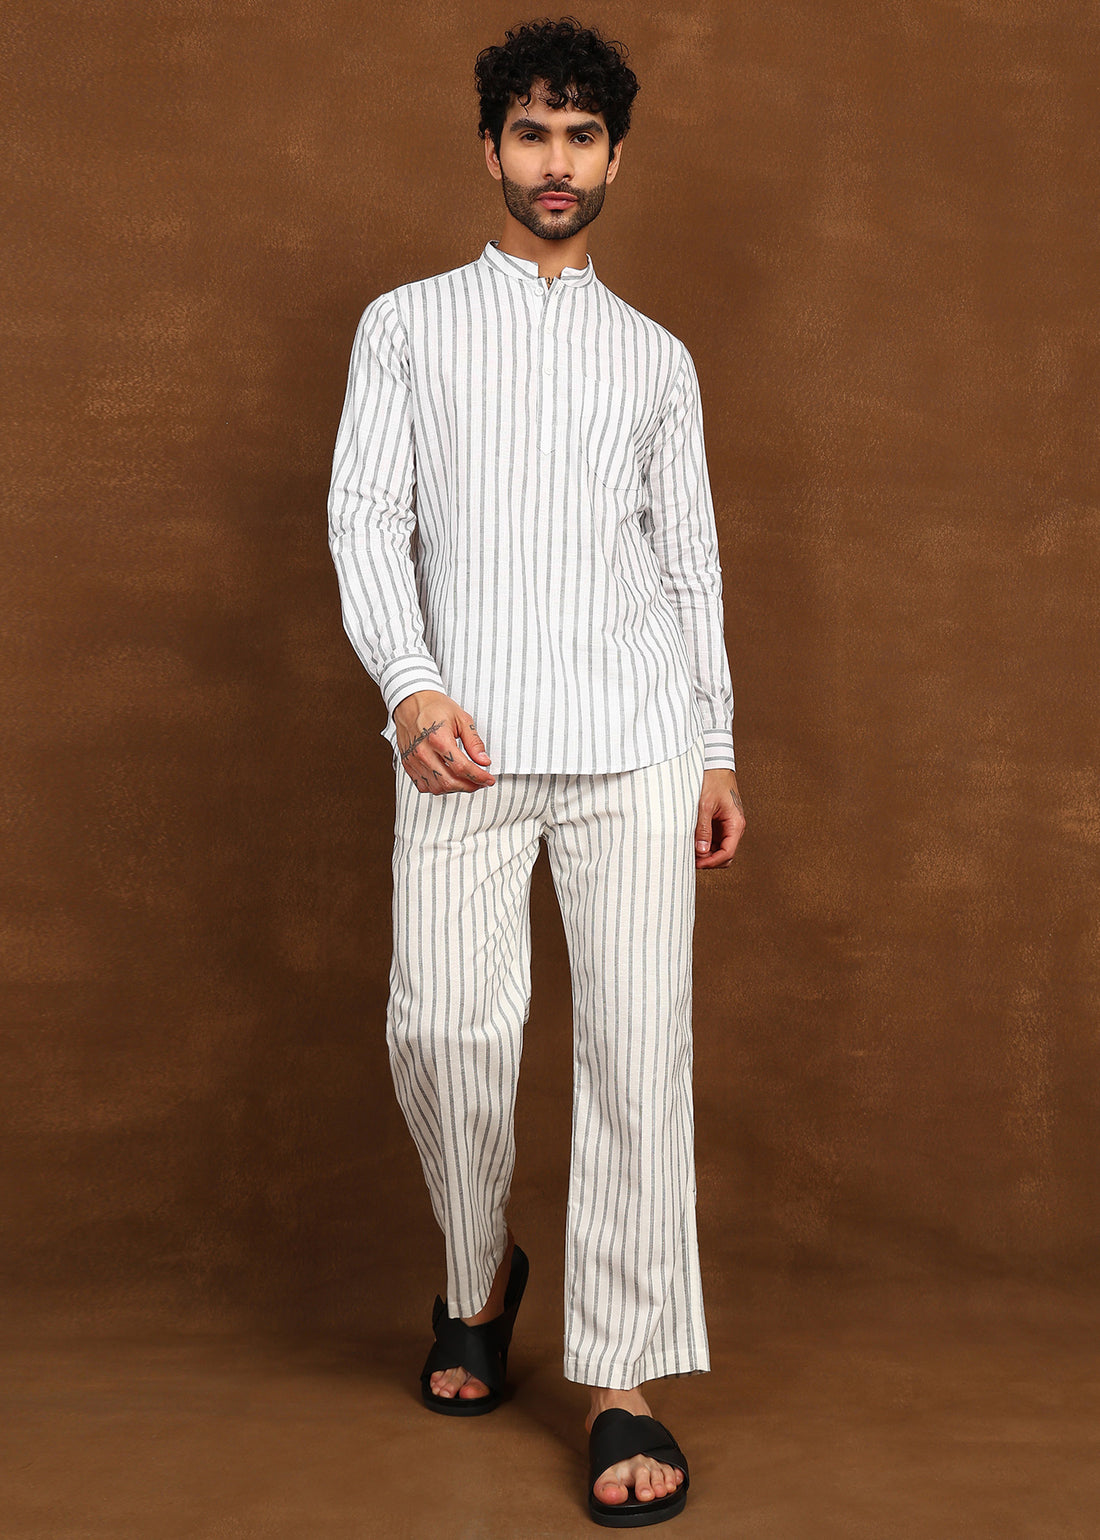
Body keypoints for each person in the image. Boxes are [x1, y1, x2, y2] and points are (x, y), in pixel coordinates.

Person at [327, 15, 745, 1527]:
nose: (555, 161)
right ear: (490, 147)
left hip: (635, 747)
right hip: (464, 749)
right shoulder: (406, 325)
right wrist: (410, 684)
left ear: (616, 159)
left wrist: (713, 745)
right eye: (530, 133)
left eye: (581, 137)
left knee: (637, 1054)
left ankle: (622, 1377)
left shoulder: (657, 358)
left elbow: (687, 565)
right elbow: (365, 518)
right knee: (447, 1031)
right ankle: (476, 1274)